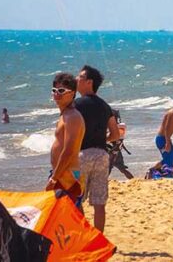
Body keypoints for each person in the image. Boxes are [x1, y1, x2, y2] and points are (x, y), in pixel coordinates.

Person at [74, 65, 120, 231]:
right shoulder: (105, 106)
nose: (76, 80)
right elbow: (115, 134)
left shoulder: (76, 105)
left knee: (75, 198)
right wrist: (102, 139)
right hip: (102, 155)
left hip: (81, 156)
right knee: (99, 202)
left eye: (79, 77)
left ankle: (83, 234)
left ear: (89, 82)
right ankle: (98, 238)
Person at [48, 73, 85, 202]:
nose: (56, 94)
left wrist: (54, 178)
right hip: (62, 174)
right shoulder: (65, 115)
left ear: (72, 93)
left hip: (68, 177)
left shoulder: (72, 117)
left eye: (61, 91)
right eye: (54, 90)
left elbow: (68, 151)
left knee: (67, 215)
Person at [107, 109, 135, 180]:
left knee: (107, 170)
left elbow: (112, 138)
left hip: (112, 152)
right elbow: (120, 140)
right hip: (117, 151)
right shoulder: (122, 126)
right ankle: (133, 180)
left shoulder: (116, 127)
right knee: (122, 170)